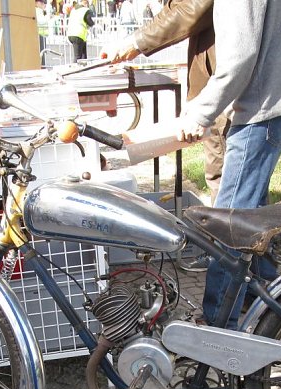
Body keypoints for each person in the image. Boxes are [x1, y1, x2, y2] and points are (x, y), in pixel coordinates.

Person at [174, 0, 281, 329]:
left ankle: (216, 327)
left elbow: (239, 56)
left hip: (263, 106)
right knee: (251, 210)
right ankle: (262, 297)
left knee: (228, 223)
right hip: (272, 97)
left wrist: (201, 113)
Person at [102, 0, 225, 272]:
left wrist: (135, 41)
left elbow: (193, 9)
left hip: (228, 93)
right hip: (221, 91)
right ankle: (252, 277)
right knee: (229, 184)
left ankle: (233, 281)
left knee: (228, 187)